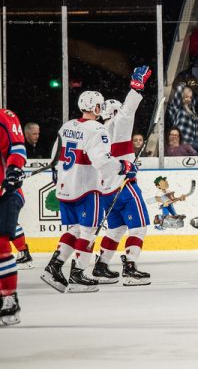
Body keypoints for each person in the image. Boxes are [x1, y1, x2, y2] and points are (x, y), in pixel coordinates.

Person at [41, 90, 136, 293]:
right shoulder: (97, 129)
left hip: (65, 187)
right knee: (88, 232)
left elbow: (54, 156)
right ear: (96, 108)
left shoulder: (67, 126)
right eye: (99, 106)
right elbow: (101, 161)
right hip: (86, 188)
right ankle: (78, 274)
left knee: (74, 230)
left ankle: (54, 266)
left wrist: (57, 176)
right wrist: (123, 167)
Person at [92, 67, 153, 287]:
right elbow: (128, 111)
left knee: (116, 229)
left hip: (106, 191)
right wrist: (137, 86)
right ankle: (130, 268)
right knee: (139, 227)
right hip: (124, 187)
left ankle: (101, 265)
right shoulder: (118, 125)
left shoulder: (97, 132)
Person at [0, 108, 26, 325]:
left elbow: (17, 148)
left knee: (0, 244)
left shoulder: (4, 117)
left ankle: (9, 298)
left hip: (7, 192)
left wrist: (14, 171)